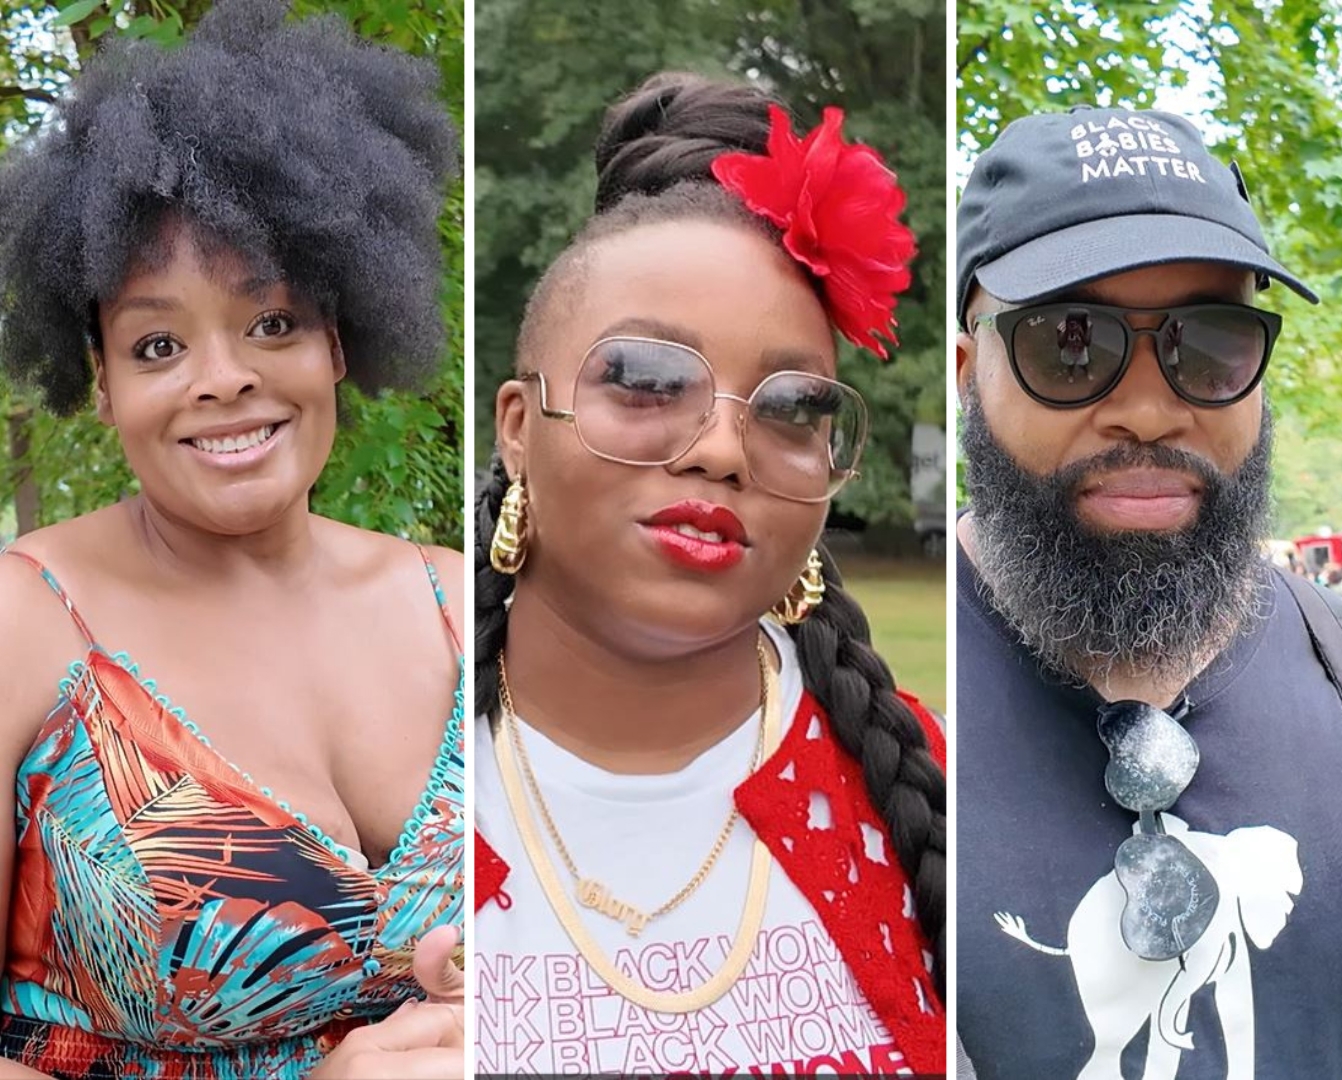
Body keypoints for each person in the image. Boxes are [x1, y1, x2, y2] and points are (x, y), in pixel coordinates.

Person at [0, 1, 466, 1077]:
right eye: (160, 343)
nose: (225, 378)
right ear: (103, 385)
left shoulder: (457, 604)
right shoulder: (28, 624)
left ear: (339, 344)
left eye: (273, 322)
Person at [469, 73, 946, 1077]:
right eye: (645, 380)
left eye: (791, 408)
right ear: (519, 427)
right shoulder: (389, 785)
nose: (724, 449)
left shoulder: (937, 791)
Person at [954, 104, 1342, 1078]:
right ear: (968, 372)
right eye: (1069, 342)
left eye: (1207, 343)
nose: (1147, 408)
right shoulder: (853, 722)